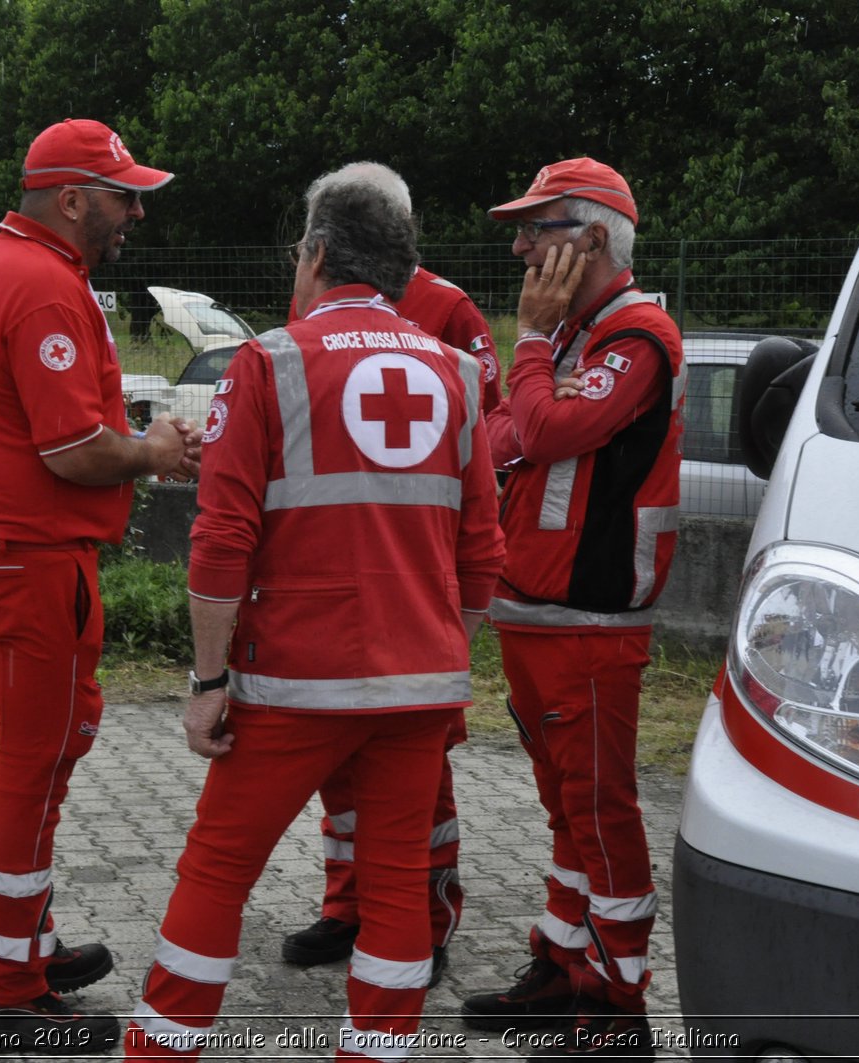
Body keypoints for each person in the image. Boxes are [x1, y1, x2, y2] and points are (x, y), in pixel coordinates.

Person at [124, 163, 505, 1059]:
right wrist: (448, 657)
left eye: (299, 251)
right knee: (399, 888)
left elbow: (222, 542)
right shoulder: (457, 372)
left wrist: (208, 680)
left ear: (319, 253)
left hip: (295, 680)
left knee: (217, 871)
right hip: (418, 687)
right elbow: (483, 552)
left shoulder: (267, 361)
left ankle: (162, 1047)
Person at [0, 117, 201, 1055]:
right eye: (126, 195)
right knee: (36, 756)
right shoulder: (44, 287)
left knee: (48, 741)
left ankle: (24, 943)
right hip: (27, 552)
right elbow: (77, 452)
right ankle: (4, 992)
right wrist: (155, 451)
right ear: (73, 197)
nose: (136, 213)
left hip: (6, 545)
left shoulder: (9, 267)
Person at [459, 157, 684, 1059]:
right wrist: (536, 375)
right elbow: (501, 434)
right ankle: (563, 967)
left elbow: (542, 430)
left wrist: (528, 351)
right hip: (535, 614)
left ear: (592, 237)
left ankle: (620, 1007)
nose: (520, 244)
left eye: (538, 226)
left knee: (600, 812)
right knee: (562, 812)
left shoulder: (635, 336)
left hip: (591, 624)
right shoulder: (570, 336)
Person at [277, 166, 502, 985]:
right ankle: (348, 903)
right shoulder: (318, 303)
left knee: (419, 774)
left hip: (414, 577)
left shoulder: (449, 309)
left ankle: (425, 914)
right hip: (333, 580)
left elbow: (489, 421)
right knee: (340, 767)